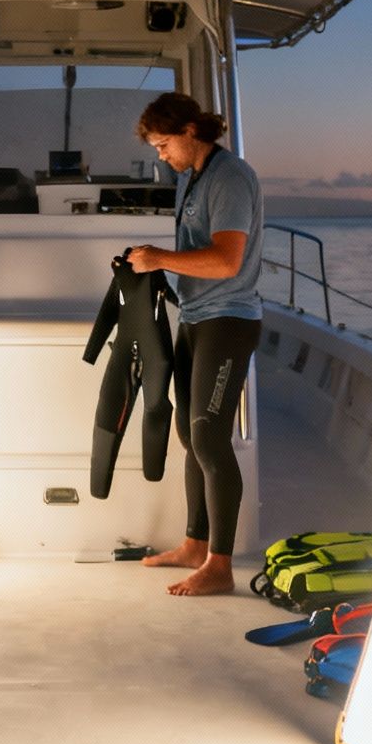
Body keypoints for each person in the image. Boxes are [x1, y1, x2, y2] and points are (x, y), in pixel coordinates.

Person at [126, 93, 265, 597]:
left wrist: (160, 257)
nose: (162, 155)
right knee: (190, 433)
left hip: (229, 320)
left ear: (190, 130)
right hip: (199, 316)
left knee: (209, 437)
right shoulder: (195, 177)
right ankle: (193, 543)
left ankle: (220, 565)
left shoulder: (230, 177)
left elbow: (227, 260)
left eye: (164, 145)